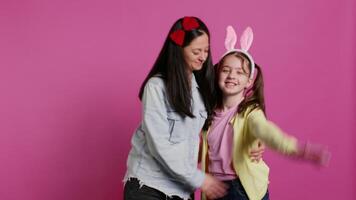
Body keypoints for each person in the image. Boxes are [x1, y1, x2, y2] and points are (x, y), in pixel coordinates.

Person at [200, 26, 330, 200]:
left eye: (240, 72)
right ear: (217, 74)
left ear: (249, 81)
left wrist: (297, 149)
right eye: (226, 70)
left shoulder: (250, 113)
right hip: (213, 187)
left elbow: (266, 131)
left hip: (242, 189)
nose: (232, 75)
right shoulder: (207, 112)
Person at [123, 16, 228, 200]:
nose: (203, 57)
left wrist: (252, 141)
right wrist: (200, 178)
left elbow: (224, 115)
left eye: (206, 50)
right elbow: (160, 145)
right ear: (179, 50)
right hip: (149, 185)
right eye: (196, 51)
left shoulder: (202, 87)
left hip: (182, 189)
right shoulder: (156, 87)